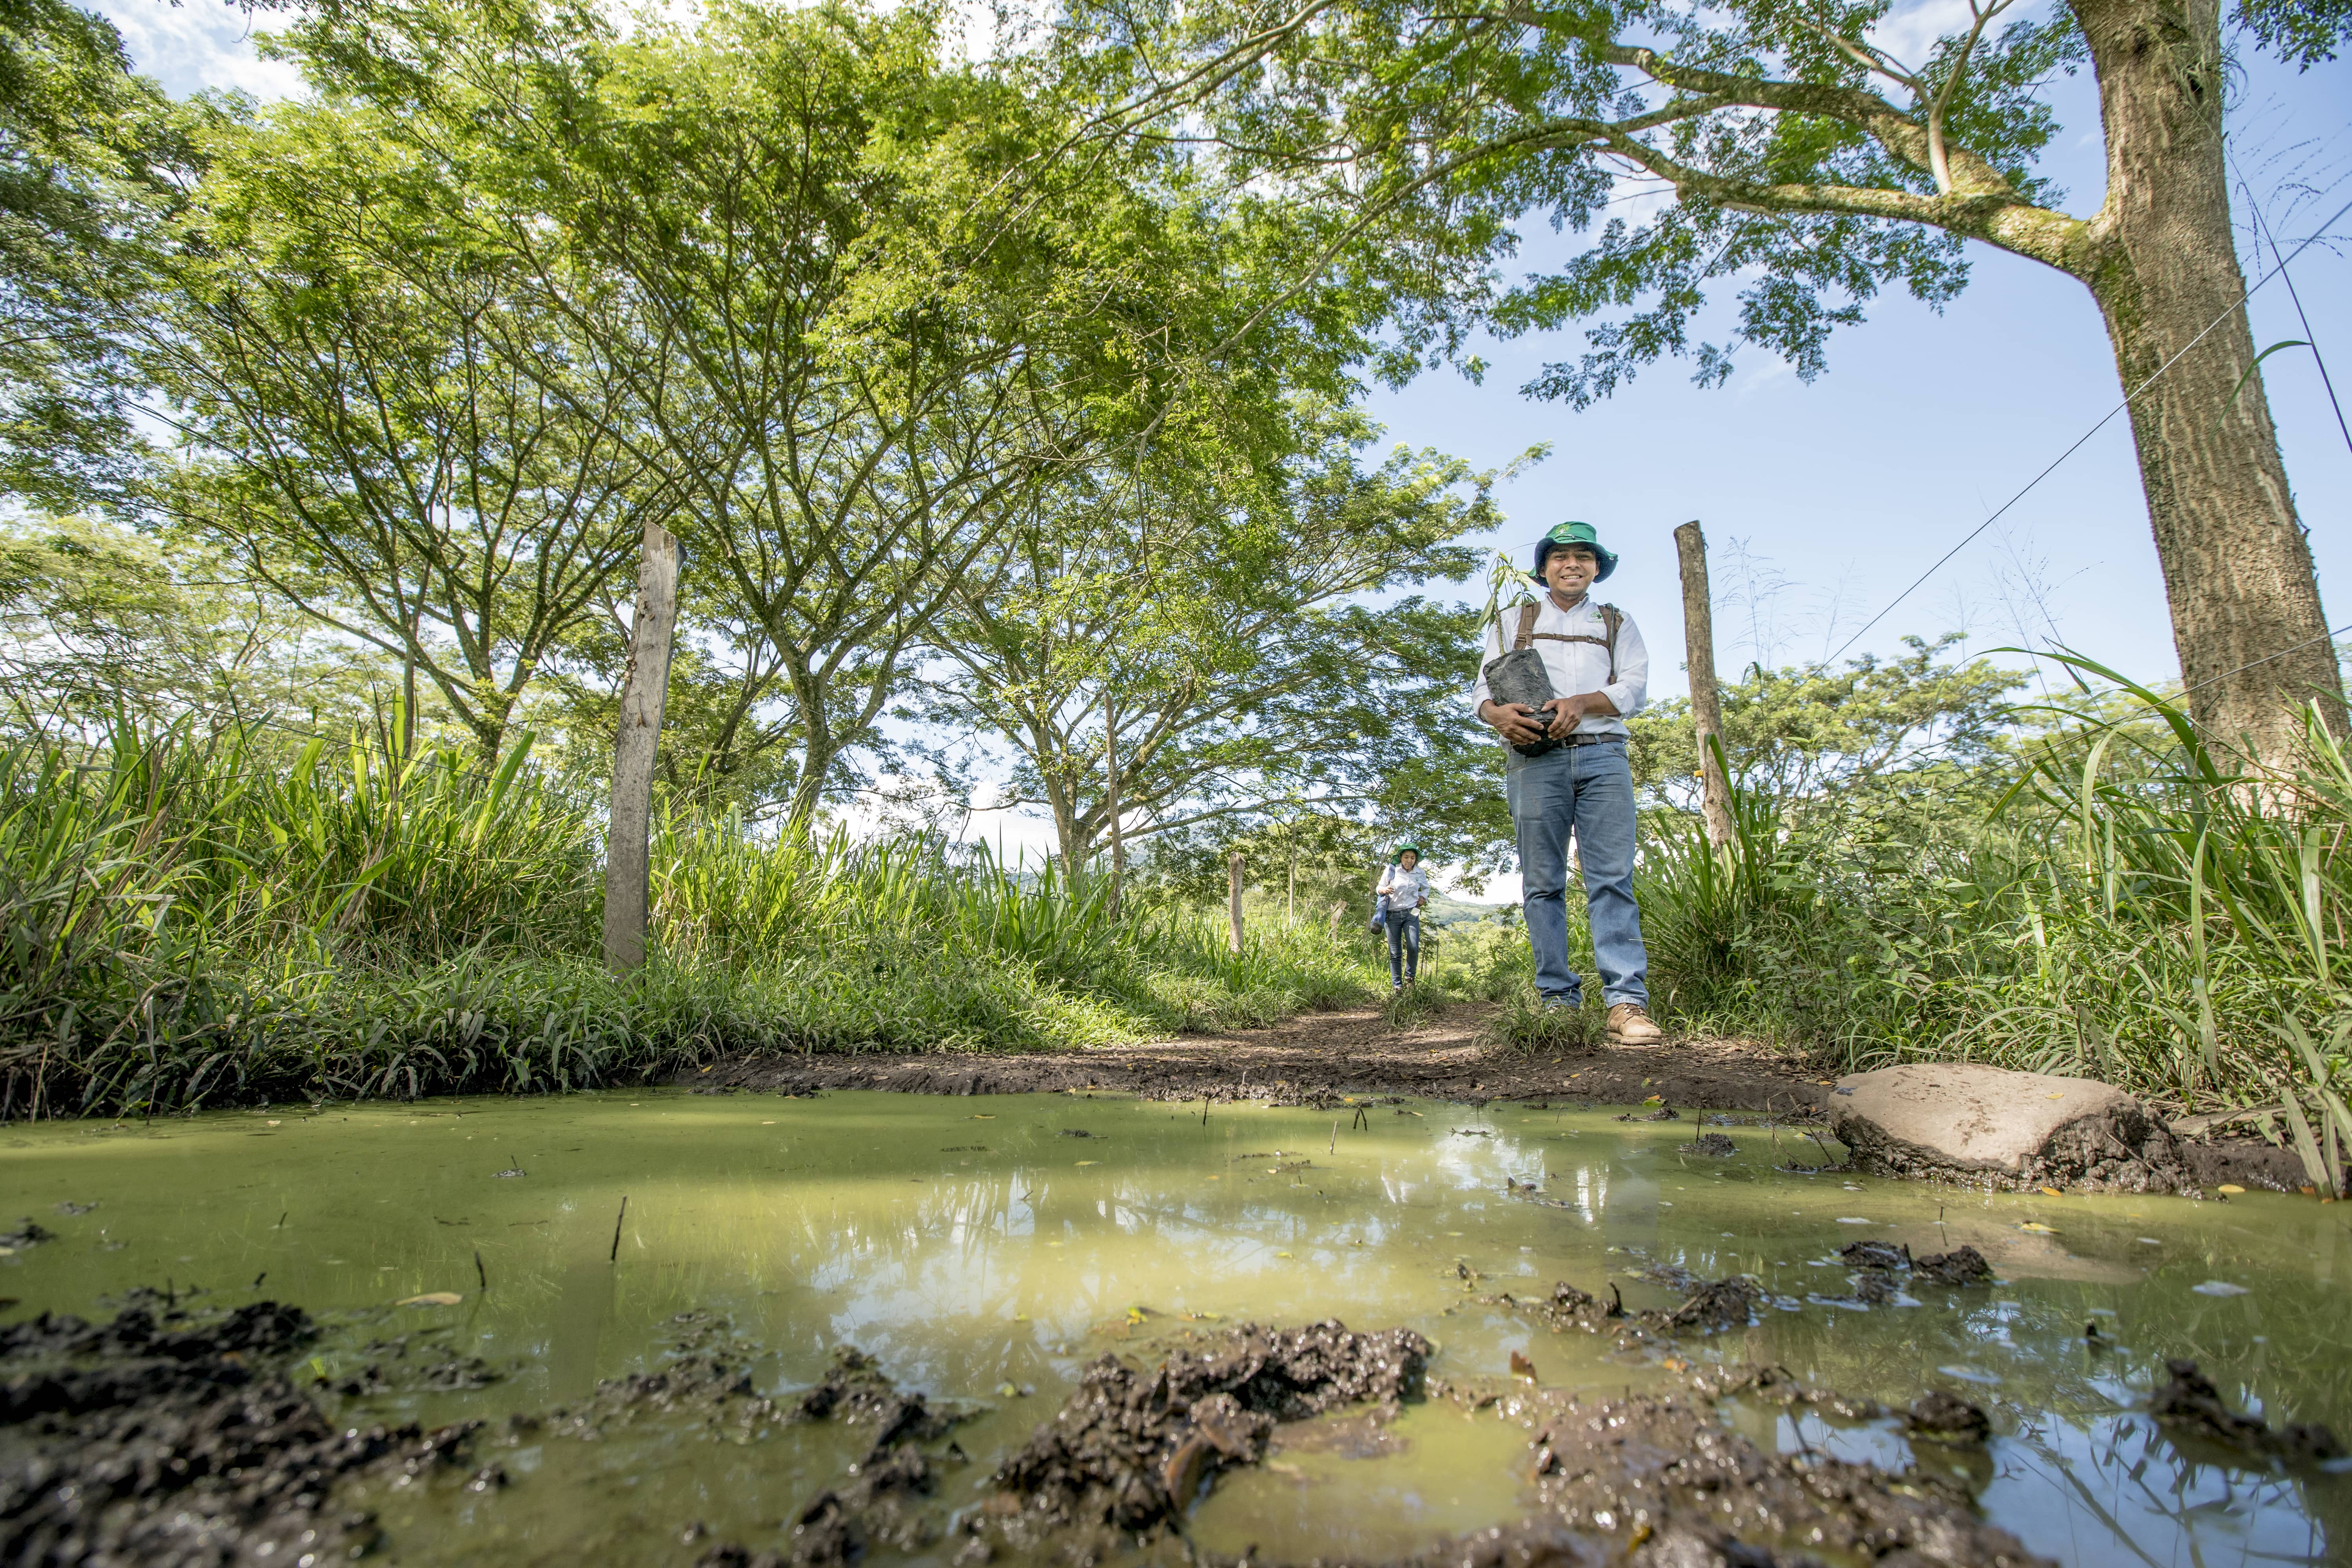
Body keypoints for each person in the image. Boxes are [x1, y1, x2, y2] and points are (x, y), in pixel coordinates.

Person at [1468, 520, 1663, 1045]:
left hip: (1604, 756)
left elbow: (1635, 688)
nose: (1572, 564)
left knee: (1611, 880)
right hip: (1535, 762)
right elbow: (1479, 690)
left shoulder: (1617, 623)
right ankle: (1557, 999)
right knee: (1542, 884)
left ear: (1598, 568)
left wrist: (1582, 703)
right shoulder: (1514, 620)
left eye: (1583, 556)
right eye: (1560, 556)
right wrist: (1498, 717)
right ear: (1544, 568)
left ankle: (1626, 1003)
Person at [1375, 844, 1428, 991]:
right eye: (1406, 857)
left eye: (1412, 858)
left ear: (1416, 859)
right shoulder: (1392, 870)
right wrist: (1384, 890)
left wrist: (1423, 897)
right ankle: (1397, 986)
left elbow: (1426, 888)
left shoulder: (1420, 873)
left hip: (1411, 913)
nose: (1409, 861)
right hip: (1392, 915)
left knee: (1413, 946)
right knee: (1395, 952)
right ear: (1401, 857)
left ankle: (1410, 978)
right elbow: (1379, 888)